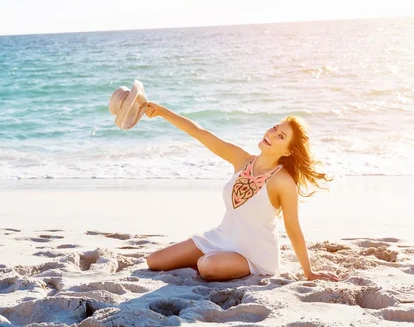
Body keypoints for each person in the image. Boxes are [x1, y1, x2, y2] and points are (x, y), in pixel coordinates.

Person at [142, 102, 340, 282]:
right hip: (219, 238)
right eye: (274, 128)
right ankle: (215, 259)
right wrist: (161, 111)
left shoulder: (283, 182)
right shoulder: (242, 160)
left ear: (288, 151)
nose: (271, 134)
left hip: (252, 253)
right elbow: (200, 133)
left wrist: (309, 273)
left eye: (281, 136)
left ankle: (219, 262)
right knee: (155, 261)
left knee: (207, 266)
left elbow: (293, 229)